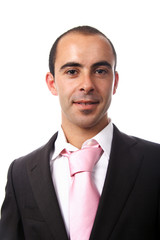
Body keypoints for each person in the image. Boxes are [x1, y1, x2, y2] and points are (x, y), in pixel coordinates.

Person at [0, 25, 160, 240]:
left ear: (115, 82)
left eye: (100, 71)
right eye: (72, 72)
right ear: (52, 83)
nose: (87, 84)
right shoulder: (21, 173)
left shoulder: (154, 162)